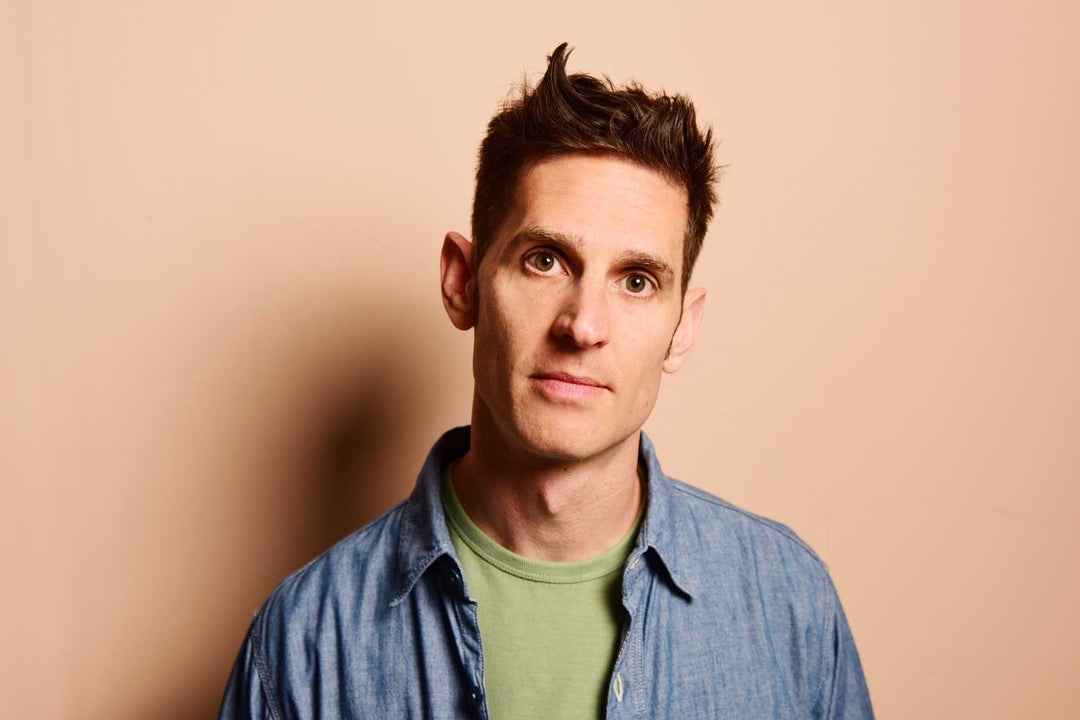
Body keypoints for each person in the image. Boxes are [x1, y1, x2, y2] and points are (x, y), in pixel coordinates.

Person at [218, 42, 875, 720]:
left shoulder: (790, 605)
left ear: (683, 327)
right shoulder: (302, 640)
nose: (583, 326)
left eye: (637, 281)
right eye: (545, 260)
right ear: (462, 283)